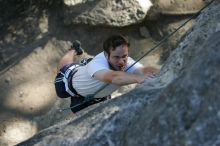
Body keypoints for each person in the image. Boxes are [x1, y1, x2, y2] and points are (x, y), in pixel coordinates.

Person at [55, 34, 159, 113]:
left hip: (99, 96)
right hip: (69, 80)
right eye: (116, 57)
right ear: (106, 54)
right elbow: (114, 77)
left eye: (124, 56)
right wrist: (137, 78)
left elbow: (143, 70)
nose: (122, 61)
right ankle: (74, 50)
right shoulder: (96, 64)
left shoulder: (127, 62)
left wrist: (159, 71)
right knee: (64, 68)